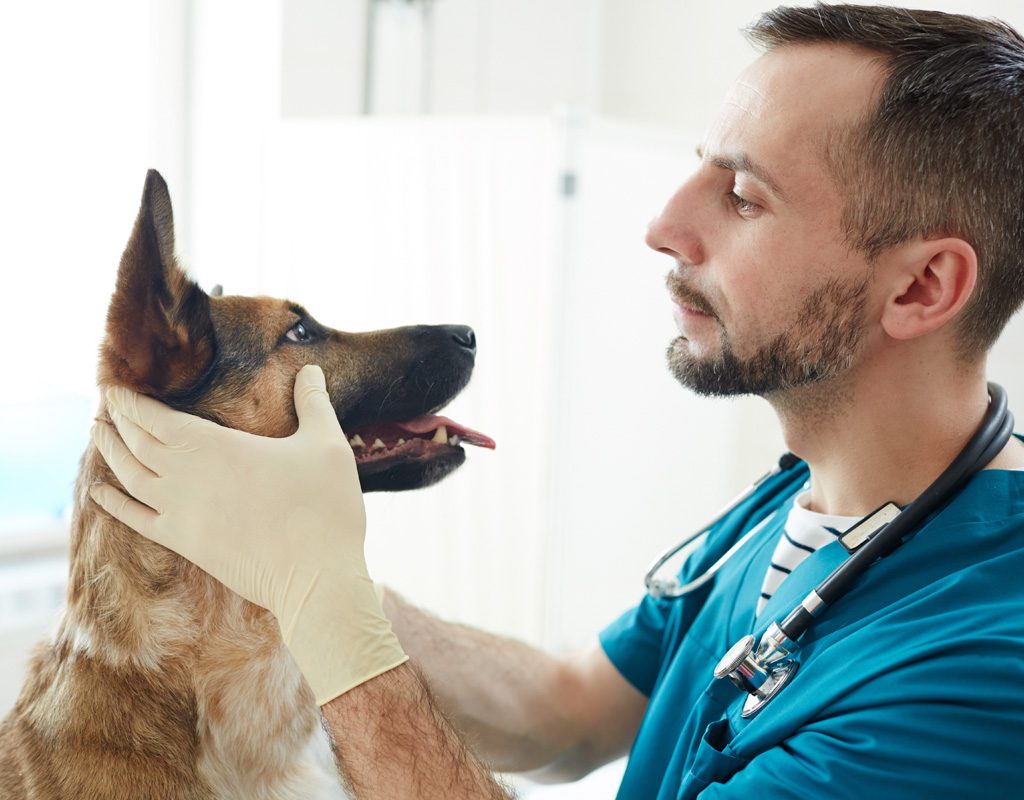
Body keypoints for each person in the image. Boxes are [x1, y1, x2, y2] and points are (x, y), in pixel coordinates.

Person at [89, 4, 1024, 798]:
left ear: (921, 289)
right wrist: (284, 560)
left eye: (742, 195)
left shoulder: (980, 677)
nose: (664, 226)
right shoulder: (796, 507)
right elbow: (566, 711)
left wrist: (321, 598)